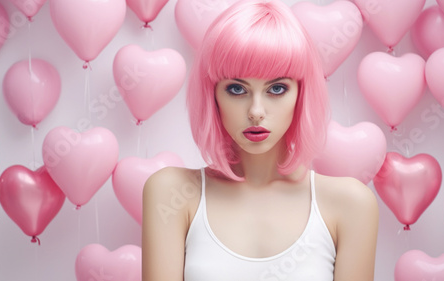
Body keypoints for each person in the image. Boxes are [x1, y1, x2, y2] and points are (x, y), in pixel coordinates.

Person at [142, 0, 379, 280]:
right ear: (213, 96)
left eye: (276, 88)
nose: (256, 112)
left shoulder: (350, 204)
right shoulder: (172, 194)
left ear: (301, 94)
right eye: (236, 89)